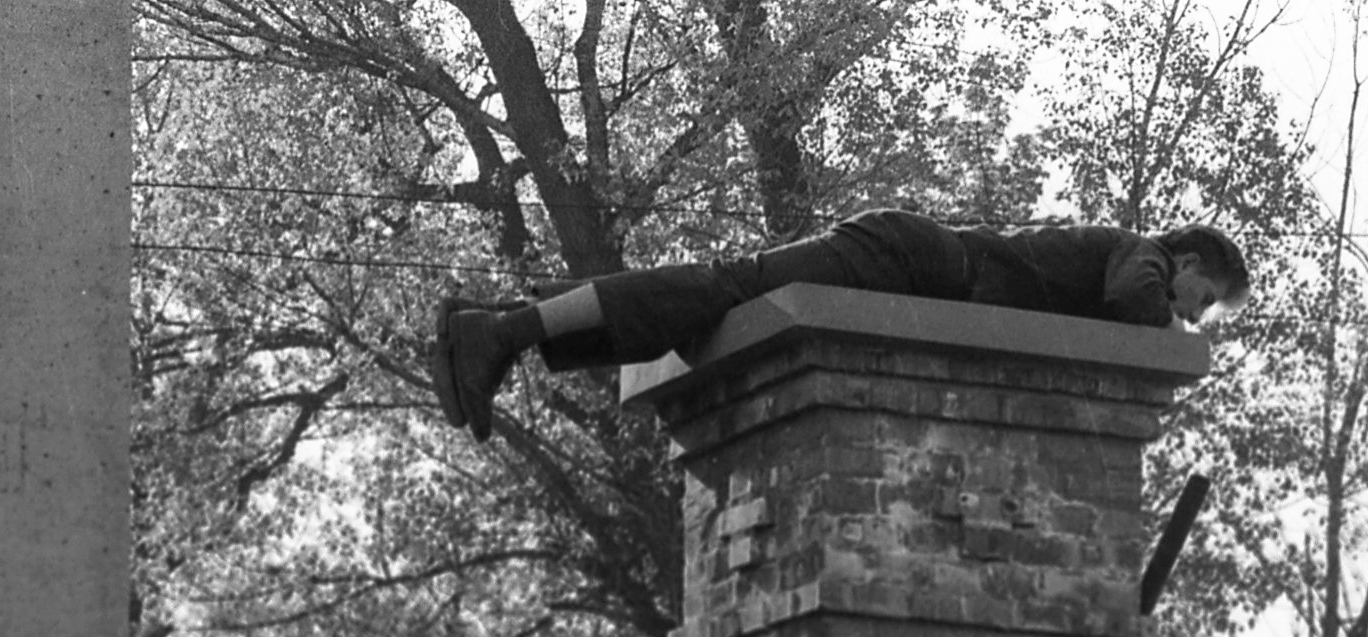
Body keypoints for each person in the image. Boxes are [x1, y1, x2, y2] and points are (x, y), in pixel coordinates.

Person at [430, 216, 1253, 441]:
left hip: (913, 264)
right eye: (1201, 292)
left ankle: (503, 331)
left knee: (717, 300)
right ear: (1183, 256)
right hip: (913, 260)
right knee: (729, 284)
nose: (1192, 314)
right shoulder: (1139, 255)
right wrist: (1174, 338)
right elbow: (1137, 307)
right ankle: (501, 332)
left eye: (1204, 310)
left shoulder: (1136, 264)